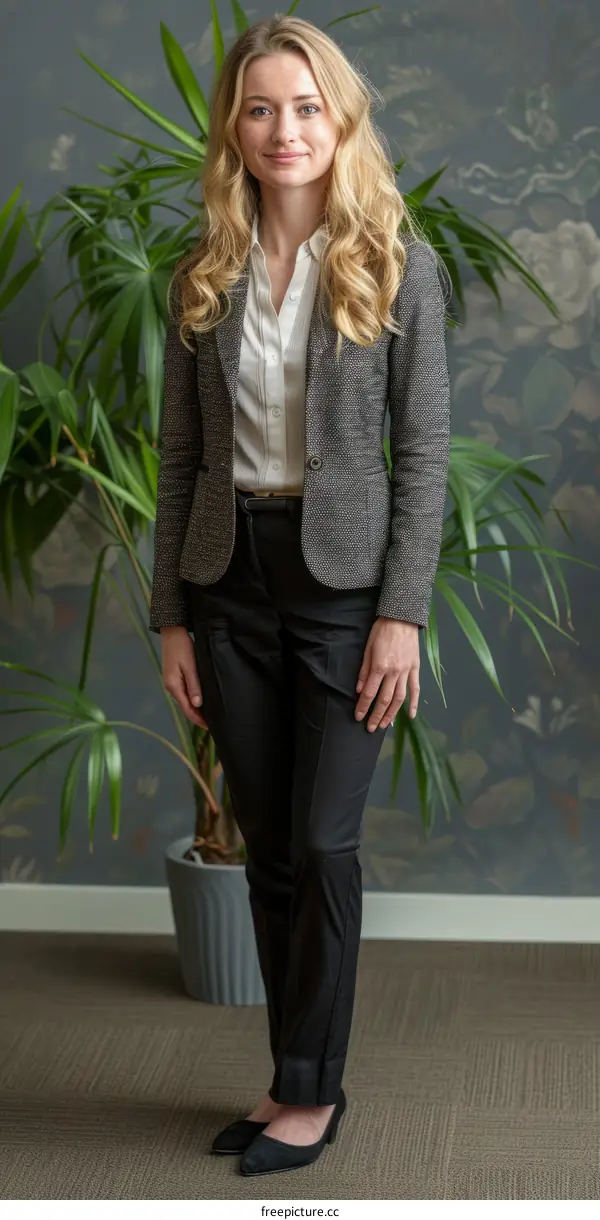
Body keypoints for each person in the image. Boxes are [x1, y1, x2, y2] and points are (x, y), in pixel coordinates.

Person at [149, 13, 451, 1179]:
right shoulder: (204, 272)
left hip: (345, 589)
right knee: (271, 847)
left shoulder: (393, 261)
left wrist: (402, 612)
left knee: (323, 844)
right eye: (263, 106)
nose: (286, 129)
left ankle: (317, 1093)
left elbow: (422, 456)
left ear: (342, 119)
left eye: (308, 106)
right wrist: (172, 611)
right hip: (229, 581)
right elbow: (179, 460)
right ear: (236, 123)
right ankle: (290, 1079)